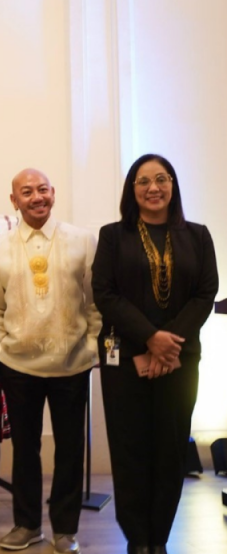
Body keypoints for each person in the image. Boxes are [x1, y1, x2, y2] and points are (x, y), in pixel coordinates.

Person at [92, 155, 218, 554]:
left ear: (173, 185)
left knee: (168, 450)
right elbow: (104, 293)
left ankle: (159, 538)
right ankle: (136, 539)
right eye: (143, 181)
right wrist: (149, 338)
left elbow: (205, 293)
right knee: (130, 450)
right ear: (132, 190)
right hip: (124, 359)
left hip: (180, 359)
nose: (153, 188)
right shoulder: (113, 236)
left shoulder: (198, 236)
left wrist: (169, 341)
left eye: (161, 179)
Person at [0, 168, 101, 554]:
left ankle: (65, 530)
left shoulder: (83, 241)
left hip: (72, 365)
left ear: (53, 193)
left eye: (43, 190)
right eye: (27, 191)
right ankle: (27, 525)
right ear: (13, 199)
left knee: (69, 449)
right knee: (25, 449)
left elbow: (96, 302)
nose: (37, 197)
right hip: (18, 367)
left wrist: (92, 347)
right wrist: (0, 350)